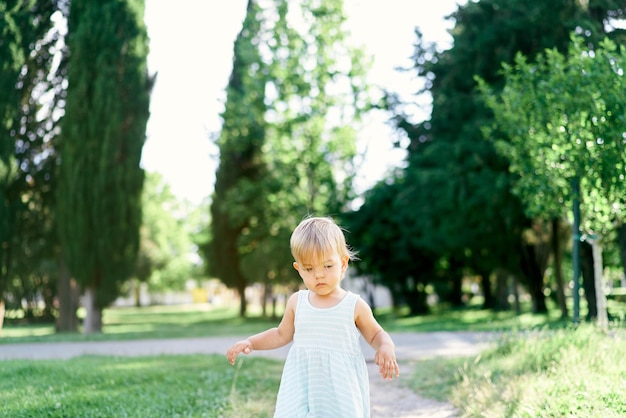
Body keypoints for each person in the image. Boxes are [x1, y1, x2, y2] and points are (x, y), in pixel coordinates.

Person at [226, 216, 400, 417]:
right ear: (299, 269)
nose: (319, 275)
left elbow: (375, 334)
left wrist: (386, 346)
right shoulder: (297, 302)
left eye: (327, 266)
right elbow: (281, 334)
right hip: (302, 384)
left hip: (339, 389)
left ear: (343, 264)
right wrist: (251, 342)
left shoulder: (353, 305)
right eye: (309, 268)